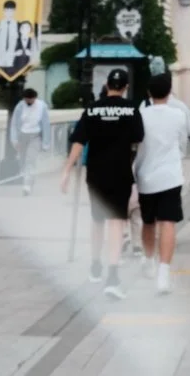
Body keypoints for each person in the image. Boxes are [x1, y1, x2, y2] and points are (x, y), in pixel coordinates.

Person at [61, 68, 143, 300]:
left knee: (97, 220)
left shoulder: (93, 109)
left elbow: (78, 141)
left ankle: (95, 266)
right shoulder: (131, 110)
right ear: (126, 87)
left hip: (96, 174)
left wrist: (66, 170)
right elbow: (138, 137)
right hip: (120, 172)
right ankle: (112, 276)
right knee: (116, 222)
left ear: (107, 85)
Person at [134, 72, 189, 293]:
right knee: (168, 222)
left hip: (146, 175)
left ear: (149, 92)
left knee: (148, 222)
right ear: (169, 91)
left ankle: (149, 260)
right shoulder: (178, 115)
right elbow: (183, 143)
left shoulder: (141, 115)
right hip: (171, 176)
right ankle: (164, 273)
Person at [10, 88, 51, 194]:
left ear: (35, 98)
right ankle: (28, 179)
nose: (28, 102)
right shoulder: (20, 106)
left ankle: (27, 185)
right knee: (22, 160)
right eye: (27, 99)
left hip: (35, 136)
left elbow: (46, 125)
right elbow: (14, 124)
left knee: (30, 159)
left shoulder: (42, 106)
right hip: (23, 136)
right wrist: (15, 140)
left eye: (30, 99)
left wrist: (46, 143)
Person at [0, 0, 19, 68]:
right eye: (7, 11)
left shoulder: (18, 25)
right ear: (3, 11)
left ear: (14, 11)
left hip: (12, 56)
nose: (9, 13)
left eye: (11, 11)